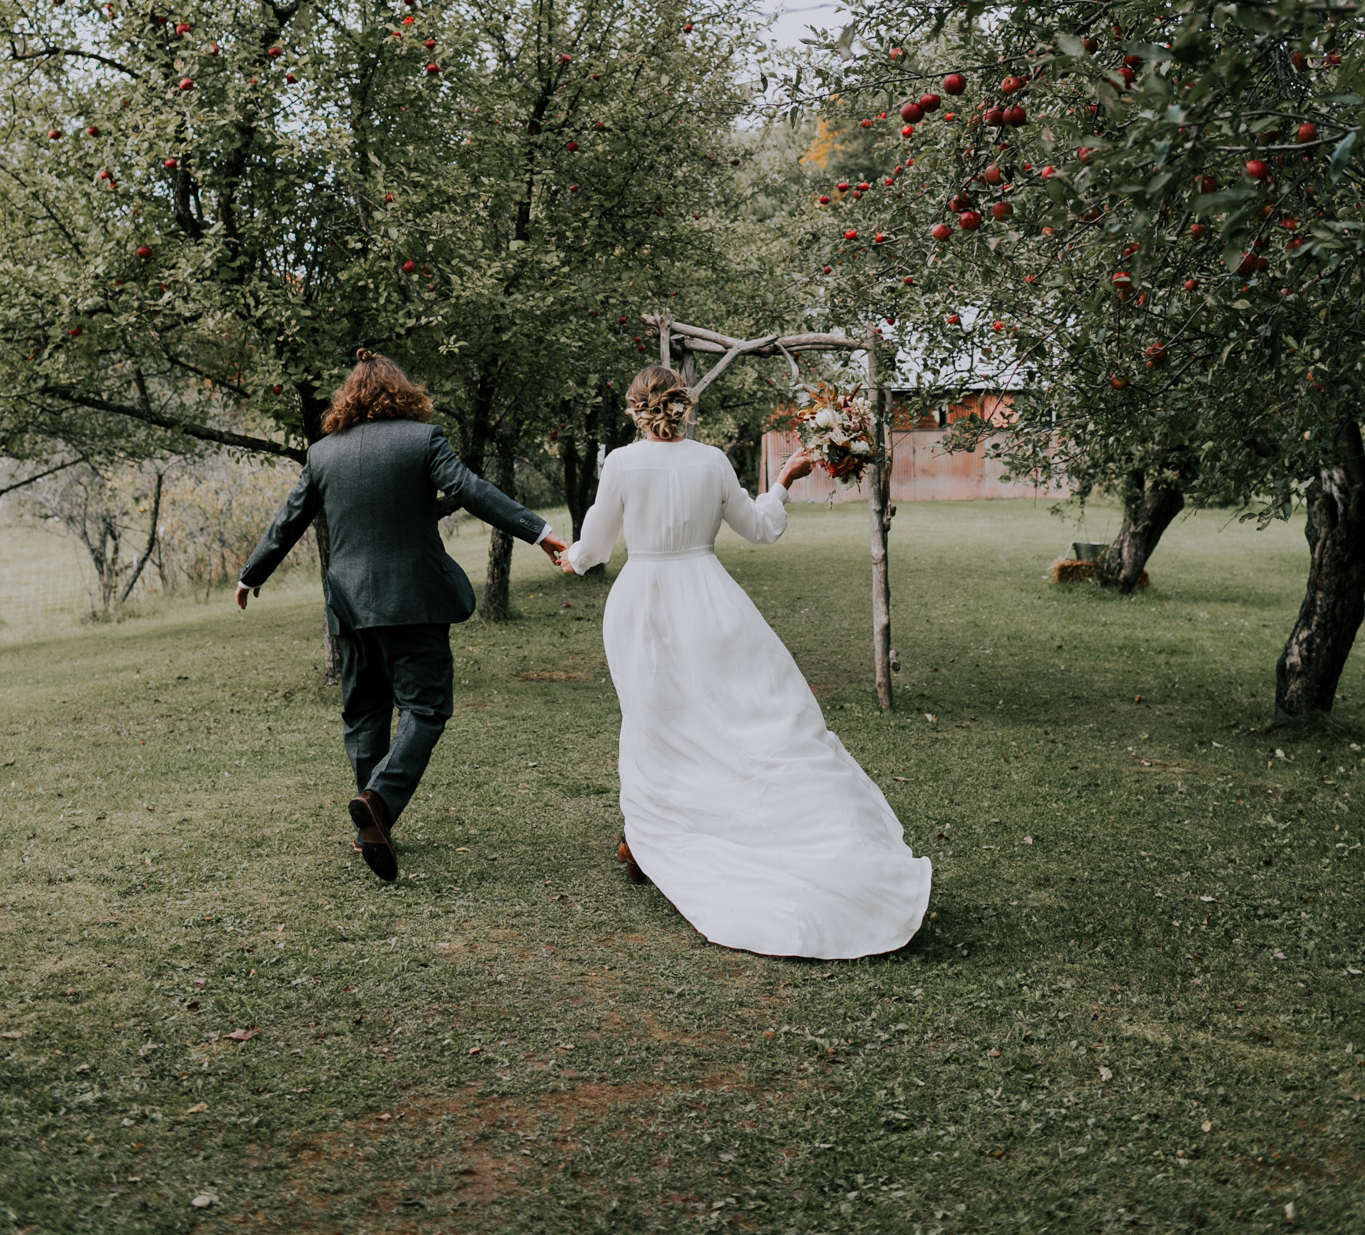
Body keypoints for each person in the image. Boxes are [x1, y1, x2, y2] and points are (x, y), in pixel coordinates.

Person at [555, 366, 932, 960]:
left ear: (635, 409)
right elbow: (759, 529)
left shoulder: (622, 464)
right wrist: (782, 479)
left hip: (644, 602)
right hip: (711, 599)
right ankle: (658, 837)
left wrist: (570, 559)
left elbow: (596, 547)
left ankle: (657, 836)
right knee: (741, 716)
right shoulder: (711, 461)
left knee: (660, 719)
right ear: (684, 407)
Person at [237, 351, 568, 881]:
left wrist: (252, 573)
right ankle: (379, 803)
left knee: (364, 712)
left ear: (348, 398)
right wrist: (537, 531)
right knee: (427, 708)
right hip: (412, 600)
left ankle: (375, 819)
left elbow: (289, 519)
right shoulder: (423, 440)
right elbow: (469, 489)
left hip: (349, 604)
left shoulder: (322, 454)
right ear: (402, 393)